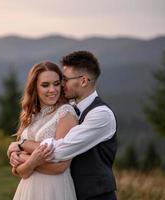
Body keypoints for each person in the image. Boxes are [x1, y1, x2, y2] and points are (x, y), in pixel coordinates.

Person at [8, 51, 117, 200]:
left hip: (95, 195)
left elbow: (58, 151)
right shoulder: (65, 106)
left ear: (83, 81)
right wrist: (23, 160)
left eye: (63, 80)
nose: (60, 86)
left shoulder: (100, 115)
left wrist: (21, 146)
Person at [11, 61, 79, 200]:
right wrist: (28, 162)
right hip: (27, 189)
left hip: (54, 189)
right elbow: (18, 171)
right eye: (45, 85)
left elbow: (60, 166)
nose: (52, 90)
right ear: (34, 87)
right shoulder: (30, 114)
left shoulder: (66, 113)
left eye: (56, 83)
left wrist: (26, 159)